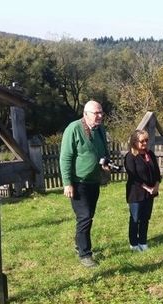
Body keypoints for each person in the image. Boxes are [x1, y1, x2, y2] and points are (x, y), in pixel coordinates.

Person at [60, 100, 110, 267]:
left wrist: (106, 163)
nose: (100, 116)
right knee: (85, 217)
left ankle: (78, 244)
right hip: (78, 182)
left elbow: (103, 150)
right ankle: (85, 254)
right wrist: (67, 183)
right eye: (96, 113)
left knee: (88, 217)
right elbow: (65, 157)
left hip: (93, 181)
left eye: (101, 112)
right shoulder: (73, 129)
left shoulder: (100, 130)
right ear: (86, 114)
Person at [124, 129, 161, 252]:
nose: (145, 143)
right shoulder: (130, 156)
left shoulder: (150, 154)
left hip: (150, 193)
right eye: (142, 141)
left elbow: (157, 171)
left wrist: (156, 185)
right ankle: (134, 244)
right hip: (136, 192)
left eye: (146, 140)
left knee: (145, 218)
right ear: (134, 142)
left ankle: (143, 242)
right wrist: (147, 187)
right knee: (135, 218)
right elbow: (133, 176)